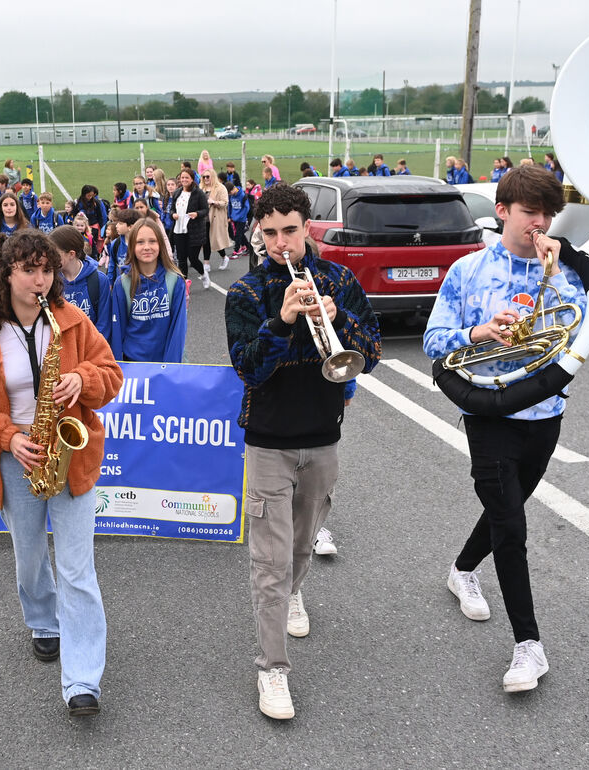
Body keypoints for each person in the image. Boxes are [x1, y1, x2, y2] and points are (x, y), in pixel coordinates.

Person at [422, 164, 587, 694]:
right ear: (502, 212)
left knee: (505, 509)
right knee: (512, 528)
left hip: (544, 414)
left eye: (547, 214)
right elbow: (433, 340)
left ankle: (462, 569)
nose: (539, 223)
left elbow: (578, 331)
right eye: (528, 213)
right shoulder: (468, 271)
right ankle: (528, 647)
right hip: (489, 412)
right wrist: (478, 332)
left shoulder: (565, 271)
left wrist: (557, 275)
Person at [224, 184, 381, 720]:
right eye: (269, 233)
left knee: (301, 546)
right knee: (268, 562)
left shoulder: (339, 280)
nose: (280, 243)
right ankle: (272, 670)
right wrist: (283, 321)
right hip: (267, 442)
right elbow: (248, 368)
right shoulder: (246, 294)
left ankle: (295, 590)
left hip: (323, 437)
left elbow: (373, 352)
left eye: (289, 231)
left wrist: (339, 321)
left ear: (308, 227)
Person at [0, 229, 123, 718]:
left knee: (77, 569)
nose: (41, 279)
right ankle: (44, 622)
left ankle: (83, 679)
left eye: (47, 270)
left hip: (70, 452)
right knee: (29, 560)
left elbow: (111, 375)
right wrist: (8, 437)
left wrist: (82, 379)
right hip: (15, 455)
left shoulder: (71, 321)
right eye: (30, 269)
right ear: (7, 274)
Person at [111, 218, 187, 363]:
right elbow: (118, 330)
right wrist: (118, 367)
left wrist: (171, 368)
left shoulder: (175, 281)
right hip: (133, 364)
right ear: (132, 246)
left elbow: (178, 329)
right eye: (140, 242)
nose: (147, 247)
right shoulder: (122, 283)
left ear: (161, 244)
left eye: (152, 241)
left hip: (165, 363)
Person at [50, 225, 111, 342]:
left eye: (55, 253)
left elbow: (104, 324)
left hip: (91, 348)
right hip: (62, 348)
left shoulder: (99, 280)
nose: (50, 257)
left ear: (71, 254)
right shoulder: (51, 279)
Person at [169, 169, 210, 290]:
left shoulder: (198, 193)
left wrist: (197, 214)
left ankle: (203, 274)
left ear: (192, 179)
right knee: (182, 259)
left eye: (187, 178)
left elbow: (205, 210)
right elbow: (172, 209)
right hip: (178, 230)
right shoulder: (177, 193)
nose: (184, 180)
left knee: (193, 258)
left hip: (194, 231)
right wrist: (173, 215)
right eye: (182, 178)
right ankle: (184, 285)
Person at [0, 192, 31, 276]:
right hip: (0, 273)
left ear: (17, 207)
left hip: (21, 274)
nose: (9, 208)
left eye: (12, 204)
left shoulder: (27, 227)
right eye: (5, 205)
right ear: (1, 208)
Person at [202, 171, 231, 271]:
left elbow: (225, 202)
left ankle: (224, 257)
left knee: (216, 240)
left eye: (207, 176)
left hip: (216, 217)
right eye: (204, 177)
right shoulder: (201, 188)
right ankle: (206, 263)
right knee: (205, 241)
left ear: (213, 177)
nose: (205, 178)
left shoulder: (220, 188)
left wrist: (214, 202)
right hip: (203, 218)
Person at [227, 178, 251, 258]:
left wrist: (241, 216)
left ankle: (237, 250)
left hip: (241, 219)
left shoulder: (242, 195)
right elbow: (230, 206)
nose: (230, 194)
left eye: (230, 192)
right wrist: (230, 216)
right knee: (240, 234)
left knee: (237, 235)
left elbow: (246, 207)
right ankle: (247, 247)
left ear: (234, 188)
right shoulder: (231, 196)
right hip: (234, 218)